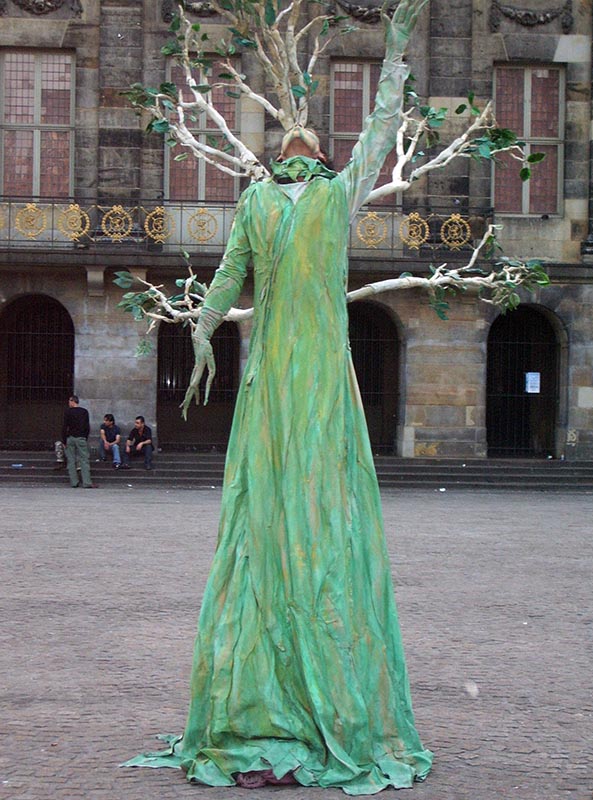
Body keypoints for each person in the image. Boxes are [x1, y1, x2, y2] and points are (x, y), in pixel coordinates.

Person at [125, 0, 432, 792]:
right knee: (265, 529)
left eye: (308, 138)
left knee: (321, 527)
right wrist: (199, 330)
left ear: (318, 152)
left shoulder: (337, 196)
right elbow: (230, 276)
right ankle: (266, 702)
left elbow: (379, 134)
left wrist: (395, 60)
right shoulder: (258, 204)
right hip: (271, 384)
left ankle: (318, 695)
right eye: (288, 138)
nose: (298, 143)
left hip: (321, 378)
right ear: (276, 152)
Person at [62, 395, 93, 489]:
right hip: (81, 438)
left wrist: (64, 440)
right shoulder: (84, 412)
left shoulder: (68, 412)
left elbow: (64, 426)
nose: (68, 403)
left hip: (70, 438)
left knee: (71, 460)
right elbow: (87, 427)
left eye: (69, 401)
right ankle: (86, 482)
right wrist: (85, 437)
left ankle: (74, 482)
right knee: (84, 460)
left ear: (72, 401)